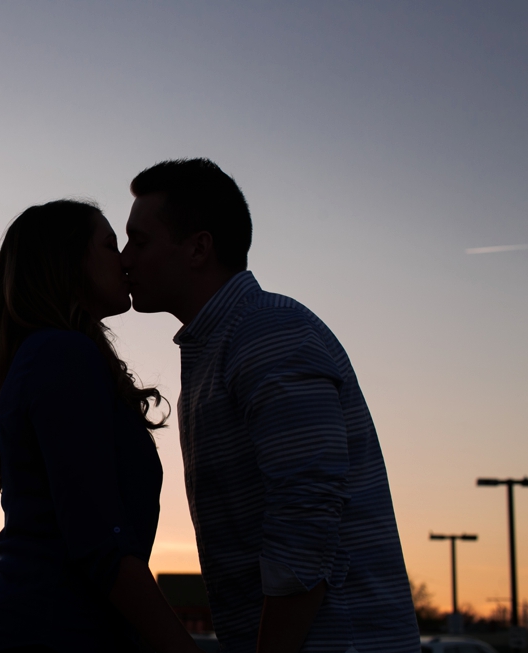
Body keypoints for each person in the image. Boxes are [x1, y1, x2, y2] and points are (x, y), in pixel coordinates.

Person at [120, 159, 421, 653]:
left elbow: (305, 514)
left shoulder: (266, 331)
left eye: (140, 240)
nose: (125, 258)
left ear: (198, 247)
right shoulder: (222, 342)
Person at [0, 200, 198, 653]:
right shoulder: (61, 355)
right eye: (109, 246)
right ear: (67, 263)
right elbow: (101, 542)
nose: (125, 259)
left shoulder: (54, 356)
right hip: (43, 634)